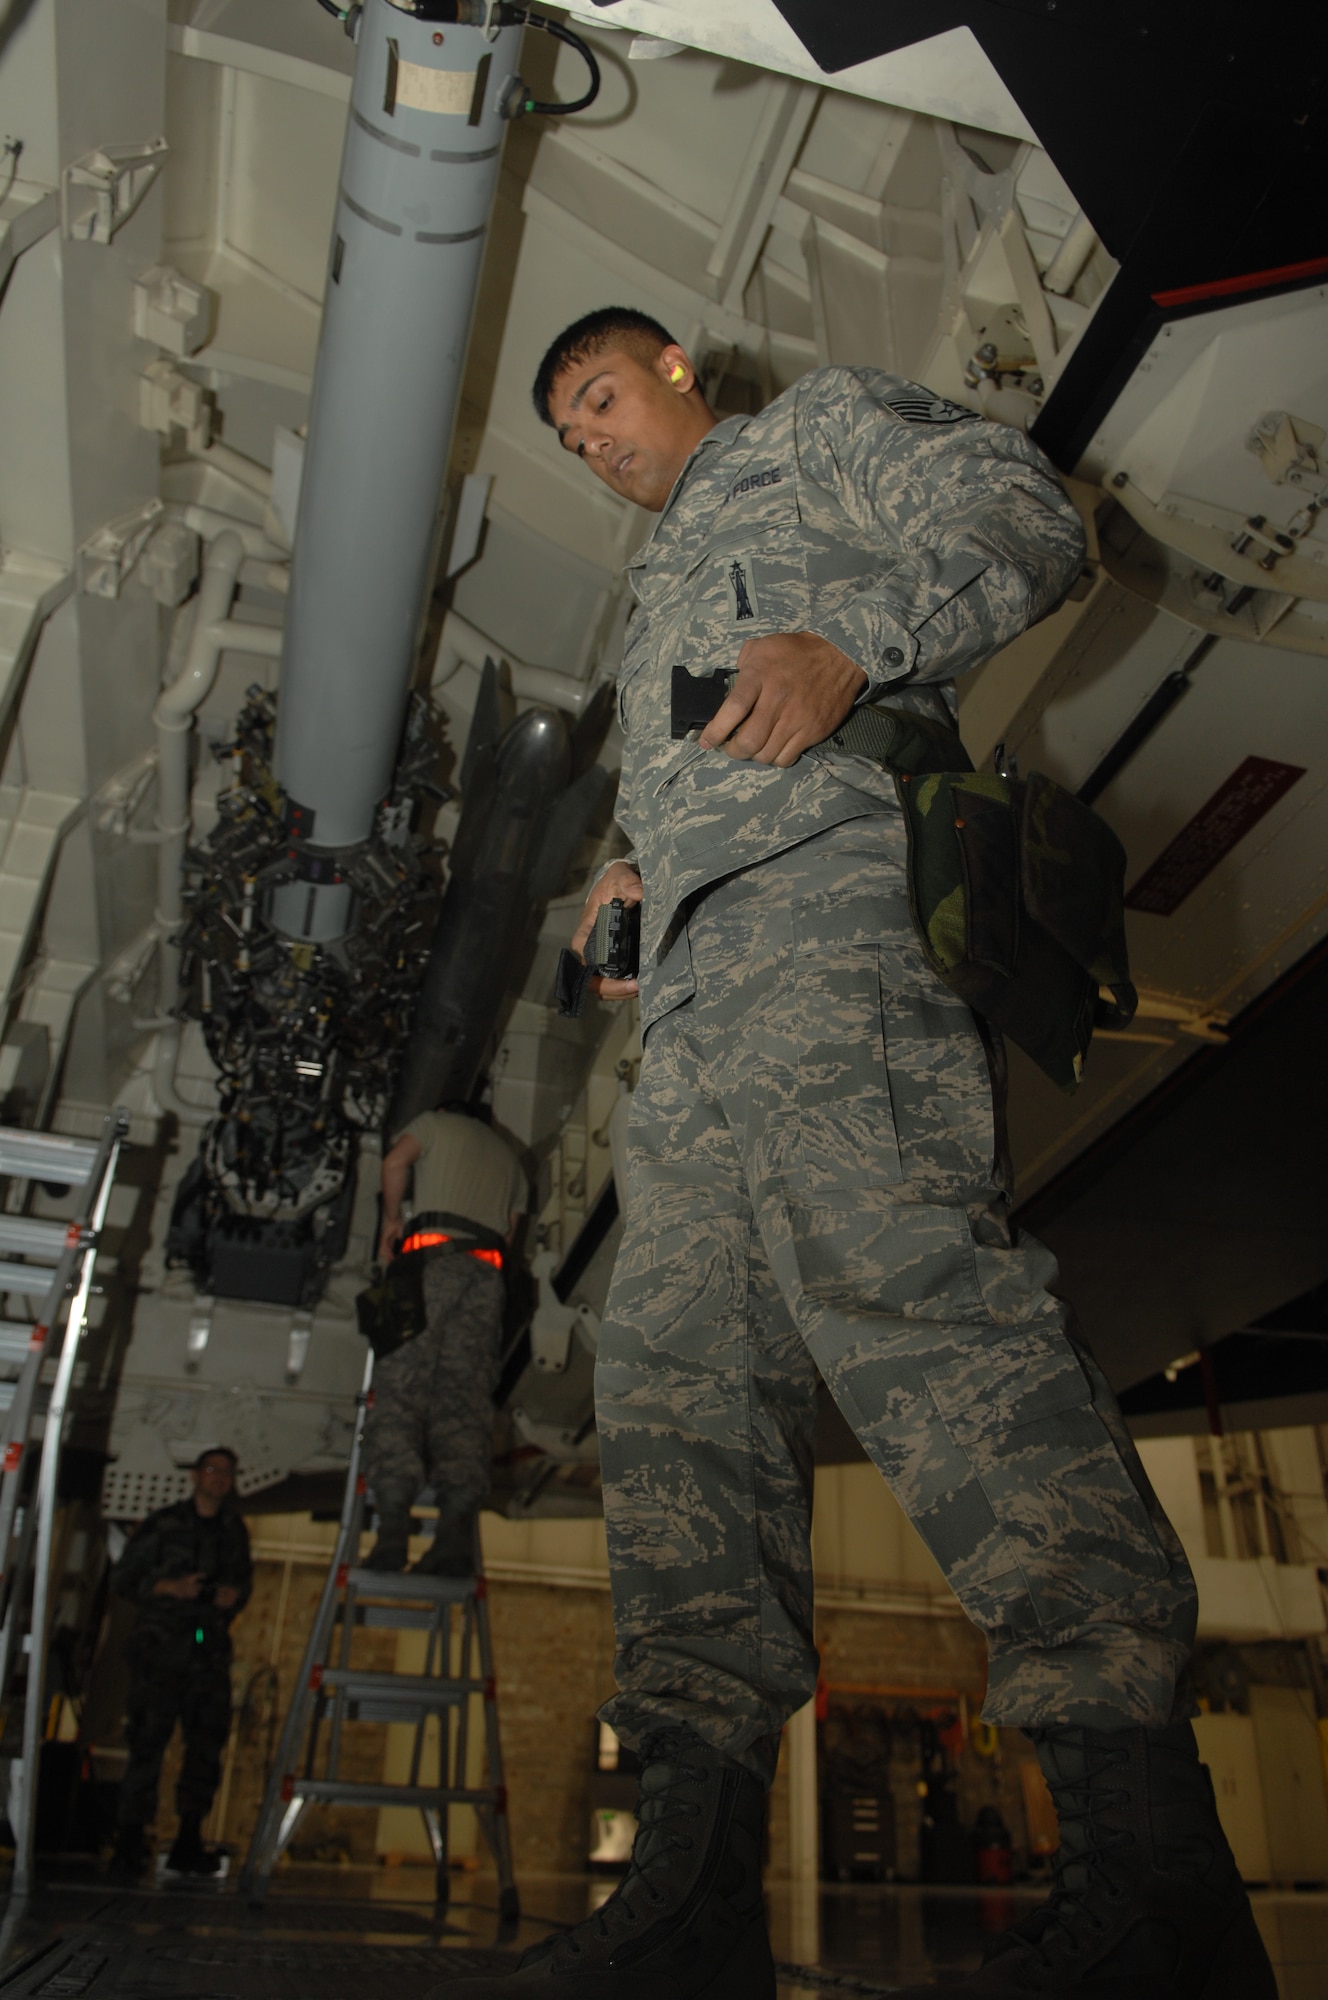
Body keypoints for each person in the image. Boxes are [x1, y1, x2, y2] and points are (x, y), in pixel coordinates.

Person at [437, 311, 1275, 2000]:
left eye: (601, 397)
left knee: (912, 1303)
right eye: (572, 437)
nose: (596, 443)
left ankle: (1155, 1883)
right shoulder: (662, 587)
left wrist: (854, 644)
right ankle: (692, 1896)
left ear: (678, 367)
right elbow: (705, 751)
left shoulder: (812, 435)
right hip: (696, 995)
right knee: (675, 1389)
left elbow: (1030, 522)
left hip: (832, 914)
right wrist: (632, 865)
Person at [364, 1100, 526, 1574]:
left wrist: (391, 1220)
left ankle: (393, 1530)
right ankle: (454, 1536)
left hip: (429, 1264)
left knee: (399, 1392)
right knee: (464, 1401)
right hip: (487, 1278)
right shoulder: (511, 1160)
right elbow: (509, 1235)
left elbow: (395, 1162)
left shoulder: (433, 1124)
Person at [110, 1444, 252, 1880]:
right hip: (161, 1649)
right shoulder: (164, 1524)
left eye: (226, 1473)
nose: (218, 1478)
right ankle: (130, 1839)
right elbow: (125, 1578)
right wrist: (170, 1588)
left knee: (205, 1745)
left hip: (207, 1650)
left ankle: (189, 1838)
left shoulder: (234, 1531)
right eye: (212, 1470)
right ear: (195, 1475)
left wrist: (230, 1597)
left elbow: (243, 1583)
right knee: (147, 1742)